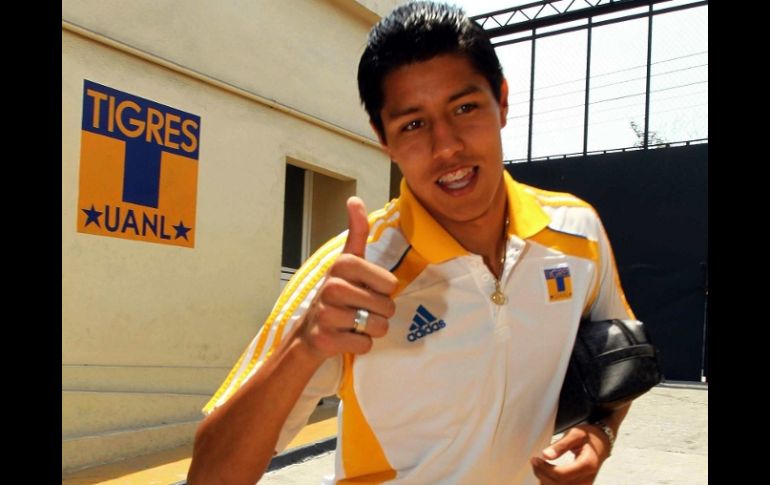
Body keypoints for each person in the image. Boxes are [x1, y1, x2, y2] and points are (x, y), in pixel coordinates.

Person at [188, 2, 636, 483]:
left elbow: (624, 355)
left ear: (502, 101)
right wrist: (303, 346)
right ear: (383, 138)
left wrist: (599, 435)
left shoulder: (577, 232)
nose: (447, 148)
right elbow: (210, 476)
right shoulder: (349, 275)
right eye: (413, 124)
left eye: (465, 108)